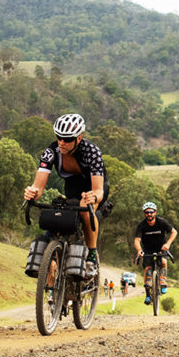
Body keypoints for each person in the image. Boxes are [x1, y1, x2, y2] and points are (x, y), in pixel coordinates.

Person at [24, 113, 108, 276]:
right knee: (58, 215)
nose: (62, 142)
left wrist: (94, 197)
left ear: (78, 138)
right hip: (72, 188)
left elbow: (98, 190)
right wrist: (32, 192)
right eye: (59, 137)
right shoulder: (51, 151)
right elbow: (38, 187)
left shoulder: (91, 151)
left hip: (94, 186)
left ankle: (91, 256)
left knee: (85, 209)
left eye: (67, 139)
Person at [134, 202, 177, 305]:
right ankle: (148, 295)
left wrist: (168, 244)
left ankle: (163, 281)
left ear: (155, 212)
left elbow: (174, 232)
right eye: (147, 212)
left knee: (163, 261)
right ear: (144, 213)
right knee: (147, 269)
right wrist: (139, 250)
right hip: (148, 249)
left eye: (151, 212)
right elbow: (136, 240)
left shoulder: (161, 222)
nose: (149, 214)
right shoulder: (141, 225)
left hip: (161, 247)